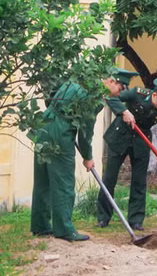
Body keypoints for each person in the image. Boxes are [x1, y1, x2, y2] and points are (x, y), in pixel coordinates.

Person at [31, 69, 130, 241]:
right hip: (60, 133)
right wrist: (88, 156)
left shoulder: (79, 79)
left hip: (44, 124)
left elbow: (52, 93)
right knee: (64, 182)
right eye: (121, 88)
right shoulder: (94, 98)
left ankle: (40, 226)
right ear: (111, 82)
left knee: (43, 180)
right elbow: (85, 131)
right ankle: (64, 230)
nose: (120, 93)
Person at [97, 76, 157, 230]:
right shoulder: (137, 93)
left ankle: (136, 220)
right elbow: (110, 96)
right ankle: (103, 217)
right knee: (109, 178)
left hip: (141, 143)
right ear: (155, 95)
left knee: (139, 182)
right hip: (120, 136)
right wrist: (123, 111)